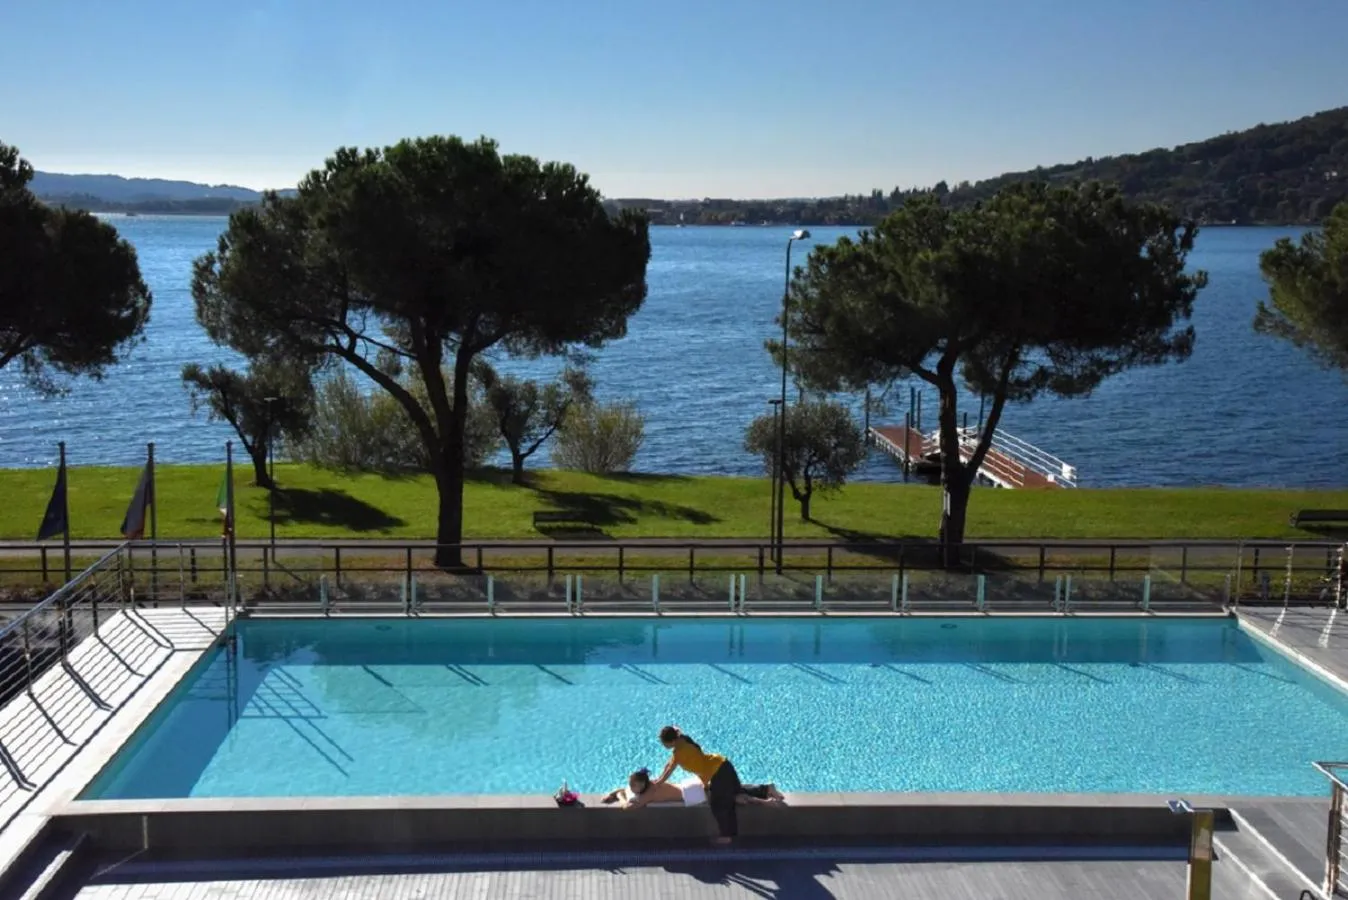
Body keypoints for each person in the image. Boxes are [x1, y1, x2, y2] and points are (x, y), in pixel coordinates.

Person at [653, 724, 758, 844]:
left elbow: (671, 768)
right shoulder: (681, 742)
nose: (663, 745)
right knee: (735, 792)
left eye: (663, 743)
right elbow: (670, 764)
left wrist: (659, 782)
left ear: (671, 741)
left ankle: (727, 836)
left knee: (718, 804)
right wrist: (659, 780)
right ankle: (767, 790)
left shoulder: (681, 752)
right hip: (720, 764)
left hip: (718, 771)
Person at [602, 767, 785, 811]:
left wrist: (619, 796)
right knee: (728, 790)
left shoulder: (648, 793)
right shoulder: (651, 785)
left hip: (694, 794)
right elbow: (628, 789)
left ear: (641, 784)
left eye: (633, 784)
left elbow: (629, 807)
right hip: (690, 785)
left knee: (729, 797)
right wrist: (617, 792)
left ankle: (765, 801)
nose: (631, 787)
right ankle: (765, 788)